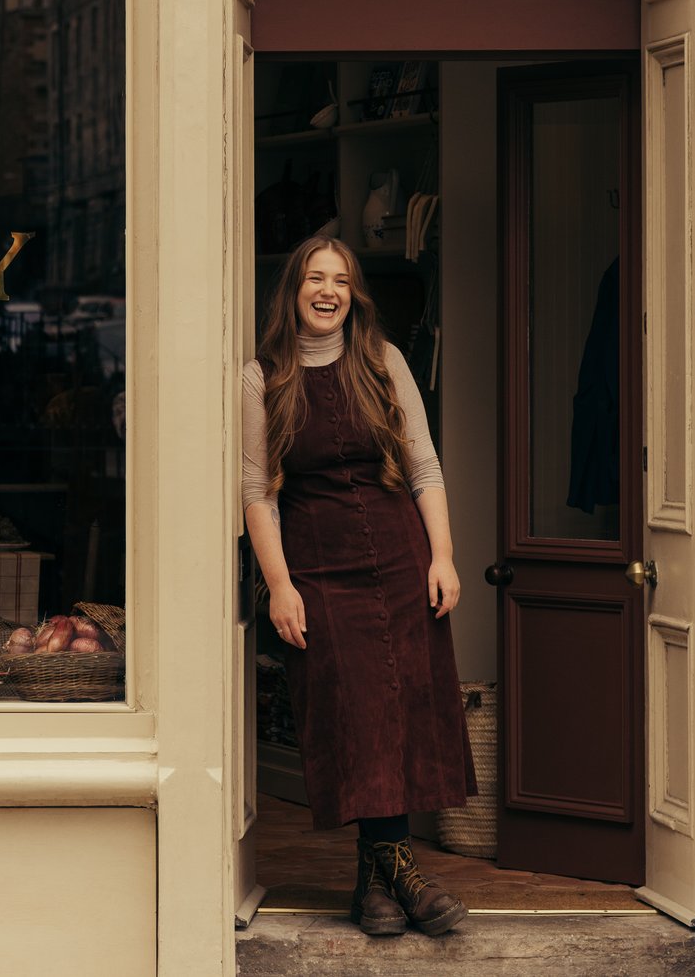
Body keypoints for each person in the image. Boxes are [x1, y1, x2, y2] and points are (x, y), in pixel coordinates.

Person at [242, 235, 476, 937]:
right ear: (293, 290)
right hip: (318, 565)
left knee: (405, 710)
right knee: (356, 712)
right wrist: (278, 584)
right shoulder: (262, 378)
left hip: (401, 558)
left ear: (354, 293)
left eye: (340, 280)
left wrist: (444, 556)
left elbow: (425, 465)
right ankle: (400, 874)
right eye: (315, 277)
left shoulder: (383, 361)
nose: (327, 291)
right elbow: (257, 494)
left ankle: (378, 882)